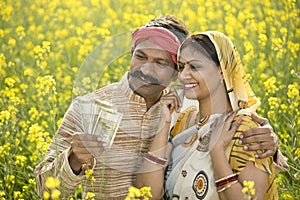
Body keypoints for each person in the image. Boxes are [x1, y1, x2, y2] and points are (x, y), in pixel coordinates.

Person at [34, 15, 281, 199]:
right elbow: (43, 188)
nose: (146, 69)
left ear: (177, 72)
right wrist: (74, 159)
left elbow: (230, 125)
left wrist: (270, 144)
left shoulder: (185, 113)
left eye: (161, 62)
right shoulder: (87, 108)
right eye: (140, 57)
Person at [136, 31, 289, 199]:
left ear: (222, 70)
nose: (183, 75)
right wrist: (164, 124)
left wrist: (216, 152)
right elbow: (146, 194)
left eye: (194, 66)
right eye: (181, 67)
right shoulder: (184, 120)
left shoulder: (245, 131)